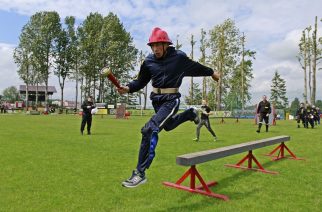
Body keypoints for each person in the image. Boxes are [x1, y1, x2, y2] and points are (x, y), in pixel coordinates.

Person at [112, 27, 219, 188]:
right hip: (157, 100)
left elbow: (196, 67)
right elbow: (140, 81)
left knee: (149, 129)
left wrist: (211, 73)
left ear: (165, 44)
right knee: (167, 126)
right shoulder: (148, 61)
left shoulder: (179, 58)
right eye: (152, 46)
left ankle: (140, 173)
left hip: (171, 100)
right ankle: (190, 113)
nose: (155, 49)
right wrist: (127, 88)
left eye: (158, 45)